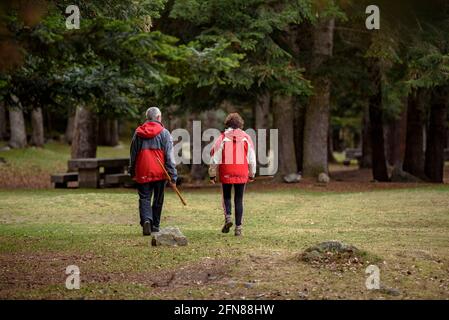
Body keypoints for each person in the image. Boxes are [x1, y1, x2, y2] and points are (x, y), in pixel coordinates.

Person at [129, 107, 177, 236]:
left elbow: (133, 154)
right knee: (158, 198)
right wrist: (173, 175)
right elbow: (169, 156)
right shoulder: (165, 133)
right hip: (160, 171)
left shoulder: (138, 133)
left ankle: (146, 220)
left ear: (147, 118)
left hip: (143, 170)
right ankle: (155, 225)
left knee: (144, 197)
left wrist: (132, 170)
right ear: (158, 117)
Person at [209, 112, 256, 236]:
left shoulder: (222, 137)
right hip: (241, 171)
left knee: (227, 196)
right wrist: (252, 174)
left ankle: (228, 217)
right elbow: (252, 158)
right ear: (240, 124)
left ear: (227, 124)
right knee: (239, 199)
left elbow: (214, 157)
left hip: (227, 171)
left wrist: (212, 174)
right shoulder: (246, 137)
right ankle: (238, 228)